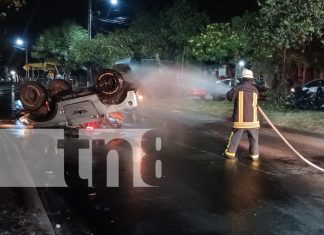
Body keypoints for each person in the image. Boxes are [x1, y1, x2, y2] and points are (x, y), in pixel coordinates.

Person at [224, 68, 260, 161]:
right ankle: (255, 155)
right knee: (254, 137)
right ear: (251, 79)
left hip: (240, 120)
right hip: (253, 121)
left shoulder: (238, 88)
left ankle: (230, 153)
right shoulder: (255, 90)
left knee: (236, 135)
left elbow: (228, 96)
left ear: (242, 78)